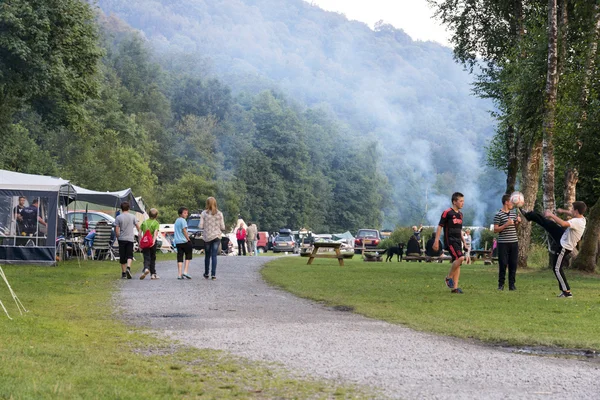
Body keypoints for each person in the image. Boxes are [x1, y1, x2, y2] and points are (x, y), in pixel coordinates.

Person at [521, 202, 587, 298]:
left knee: (556, 269)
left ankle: (567, 292)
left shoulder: (577, 222)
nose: (571, 210)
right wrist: (562, 211)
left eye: (572, 209)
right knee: (548, 224)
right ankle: (529, 215)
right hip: (563, 237)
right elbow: (571, 214)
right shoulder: (582, 218)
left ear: (576, 211)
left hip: (564, 246)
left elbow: (564, 224)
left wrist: (551, 215)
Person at [433, 192, 467, 294]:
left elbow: (459, 230)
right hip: (450, 240)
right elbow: (440, 226)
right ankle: (448, 278)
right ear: (454, 202)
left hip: (457, 241)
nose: (462, 203)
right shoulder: (447, 212)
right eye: (460, 201)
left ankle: (455, 288)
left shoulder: (460, 215)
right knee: (461, 258)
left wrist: (464, 242)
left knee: (458, 262)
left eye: (463, 201)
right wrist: (436, 241)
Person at [493, 194, 521, 291]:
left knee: (513, 264)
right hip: (503, 243)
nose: (512, 204)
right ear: (506, 202)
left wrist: (518, 223)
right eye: (511, 201)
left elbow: (515, 228)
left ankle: (512, 285)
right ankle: (501, 285)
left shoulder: (513, 214)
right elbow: (495, 230)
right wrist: (506, 224)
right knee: (503, 264)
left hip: (514, 242)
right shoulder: (498, 215)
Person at [200, 197, 225, 280]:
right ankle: (213, 274)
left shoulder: (204, 213)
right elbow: (223, 227)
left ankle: (206, 273)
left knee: (207, 255)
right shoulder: (219, 213)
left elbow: (200, 226)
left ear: (207, 203)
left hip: (207, 237)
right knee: (214, 255)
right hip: (216, 237)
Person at [115, 201, 141, 280]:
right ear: (129, 208)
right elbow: (138, 227)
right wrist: (140, 234)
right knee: (129, 254)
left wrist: (117, 237)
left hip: (122, 239)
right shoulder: (133, 217)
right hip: (130, 238)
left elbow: (117, 230)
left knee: (122, 256)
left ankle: (123, 273)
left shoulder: (118, 217)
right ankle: (128, 268)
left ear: (121, 208)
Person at [139, 208, 161, 280]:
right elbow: (155, 233)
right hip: (152, 242)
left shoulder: (144, 222)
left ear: (148, 214)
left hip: (145, 242)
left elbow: (139, 234)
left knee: (146, 256)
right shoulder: (156, 223)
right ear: (156, 216)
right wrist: (153, 241)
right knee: (153, 257)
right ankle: (153, 274)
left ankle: (146, 269)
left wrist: (140, 243)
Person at [173, 207, 193, 279]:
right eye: (185, 213)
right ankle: (185, 271)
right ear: (180, 214)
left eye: (187, 213)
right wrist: (188, 239)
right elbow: (184, 230)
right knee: (188, 256)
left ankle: (179, 274)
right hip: (184, 241)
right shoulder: (183, 221)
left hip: (178, 242)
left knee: (180, 257)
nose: (186, 214)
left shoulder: (176, 220)